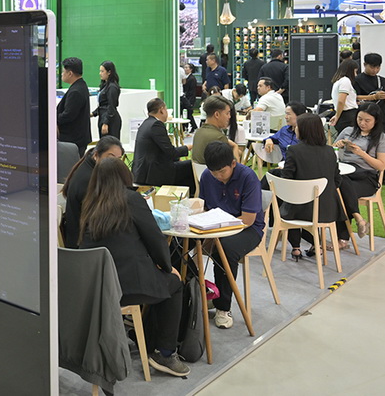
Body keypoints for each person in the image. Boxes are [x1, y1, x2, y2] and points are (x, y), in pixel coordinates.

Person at [78, 157, 190, 377]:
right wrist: (167, 267)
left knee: (158, 281)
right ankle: (165, 353)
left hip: (95, 288)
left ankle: (146, 339)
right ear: (124, 176)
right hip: (126, 288)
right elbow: (156, 240)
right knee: (175, 284)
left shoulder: (90, 203)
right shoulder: (131, 200)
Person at [199, 141, 264, 330]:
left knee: (225, 250)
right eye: (214, 173)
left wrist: (217, 232)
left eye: (222, 172)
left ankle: (223, 307)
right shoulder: (207, 176)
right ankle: (197, 295)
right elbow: (203, 207)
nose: (218, 177)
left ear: (233, 163)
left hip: (247, 229)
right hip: (215, 226)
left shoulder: (248, 177)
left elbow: (248, 219)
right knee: (182, 244)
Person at [273, 113, 343, 260]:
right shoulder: (330, 151)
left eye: (297, 126)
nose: (295, 129)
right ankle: (314, 244)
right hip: (327, 210)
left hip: (300, 210)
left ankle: (296, 247)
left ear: (304, 130)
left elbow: (287, 182)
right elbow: (337, 180)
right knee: (300, 203)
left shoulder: (294, 151)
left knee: (289, 202)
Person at [333, 102, 385, 245]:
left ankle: (342, 239)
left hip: (366, 178)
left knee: (339, 188)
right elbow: (331, 152)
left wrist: (361, 153)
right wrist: (337, 146)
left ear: (376, 121)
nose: (362, 123)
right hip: (345, 172)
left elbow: (381, 165)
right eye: (360, 119)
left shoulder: (381, 138)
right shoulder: (348, 131)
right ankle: (358, 218)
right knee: (340, 184)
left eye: (367, 120)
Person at [61, 136, 124, 249]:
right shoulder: (89, 180)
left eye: (118, 159)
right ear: (96, 155)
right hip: (84, 245)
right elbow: (102, 217)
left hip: (85, 238)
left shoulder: (90, 168)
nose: (115, 163)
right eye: (110, 158)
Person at [132, 98, 192, 188]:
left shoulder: (146, 123)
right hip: (152, 173)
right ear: (161, 110)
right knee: (190, 166)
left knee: (184, 167)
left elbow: (162, 150)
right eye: (166, 109)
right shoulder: (156, 125)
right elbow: (171, 152)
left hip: (142, 172)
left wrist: (176, 158)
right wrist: (188, 147)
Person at [56, 57, 91, 158]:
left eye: (63, 71)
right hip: (76, 138)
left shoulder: (76, 91)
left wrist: (54, 120)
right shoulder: (80, 85)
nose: (62, 74)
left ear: (70, 73)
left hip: (73, 139)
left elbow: (69, 115)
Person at [353, 53, 385, 135]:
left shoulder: (383, 81)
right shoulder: (357, 80)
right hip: (365, 119)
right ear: (364, 65)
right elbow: (354, 97)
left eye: (378, 67)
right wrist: (374, 97)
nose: (375, 70)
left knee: (383, 140)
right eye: (372, 67)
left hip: (381, 118)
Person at [191, 95, 240, 163]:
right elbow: (234, 166)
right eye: (227, 113)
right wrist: (235, 147)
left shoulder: (198, 132)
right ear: (217, 114)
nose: (229, 117)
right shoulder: (219, 138)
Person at [329, 58, 360, 135]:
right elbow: (341, 101)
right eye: (355, 71)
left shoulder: (338, 81)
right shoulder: (345, 81)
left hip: (343, 115)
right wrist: (337, 116)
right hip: (348, 116)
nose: (356, 75)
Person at [92, 60, 122, 139]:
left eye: (102, 71)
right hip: (103, 117)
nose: (100, 73)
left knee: (110, 143)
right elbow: (103, 105)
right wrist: (93, 113)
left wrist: (106, 123)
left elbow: (111, 106)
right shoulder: (105, 86)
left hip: (110, 121)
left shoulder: (112, 87)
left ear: (109, 72)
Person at [180, 63, 199, 131]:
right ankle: (186, 127)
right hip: (185, 98)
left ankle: (193, 126)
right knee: (186, 113)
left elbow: (192, 91)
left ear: (191, 69)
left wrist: (190, 101)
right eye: (184, 67)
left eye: (187, 67)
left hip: (189, 99)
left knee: (189, 113)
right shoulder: (185, 77)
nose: (185, 69)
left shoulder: (192, 78)